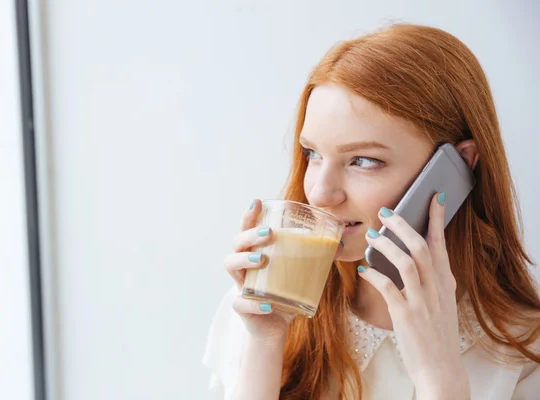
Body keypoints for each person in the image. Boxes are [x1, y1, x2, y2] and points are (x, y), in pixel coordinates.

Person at [202, 23, 540, 399]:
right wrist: (265, 343)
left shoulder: (527, 347)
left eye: (363, 160)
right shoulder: (260, 307)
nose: (320, 193)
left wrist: (440, 377)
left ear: (457, 168)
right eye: (313, 154)